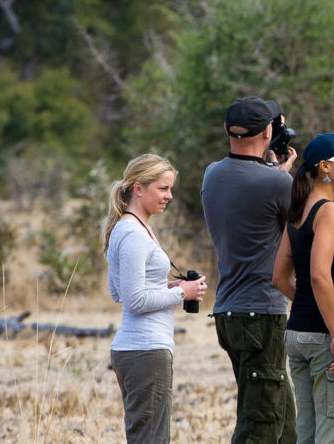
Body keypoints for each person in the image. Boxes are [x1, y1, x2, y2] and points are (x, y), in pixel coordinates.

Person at [201, 96, 299, 443]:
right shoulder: (276, 183)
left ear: (228, 130)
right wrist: (282, 173)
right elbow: (301, 223)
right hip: (262, 313)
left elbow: (250, 197)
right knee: (259, 424)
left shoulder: (213, 174)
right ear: (269, 132)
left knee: (284, 423)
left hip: (229, 311)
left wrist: (275, 172)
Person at [271, 133, 334, 444]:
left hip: (297, 334)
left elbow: (279, 278)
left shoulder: (297, 214)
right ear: (325, 167)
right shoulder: (329, 211)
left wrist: (307, 306)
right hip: (327, 340)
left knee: (308, 434)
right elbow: (318, 275)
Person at [103, 154, 208, 443]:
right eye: (163, 189)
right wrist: (180, 293)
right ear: (138, 188)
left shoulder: (128, 228)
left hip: (137, 349)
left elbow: (119, 291)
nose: (169, 196)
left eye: (170, 189)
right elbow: (133, 300)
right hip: (145, 349)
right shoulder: (134, 233)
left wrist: (166, 284)